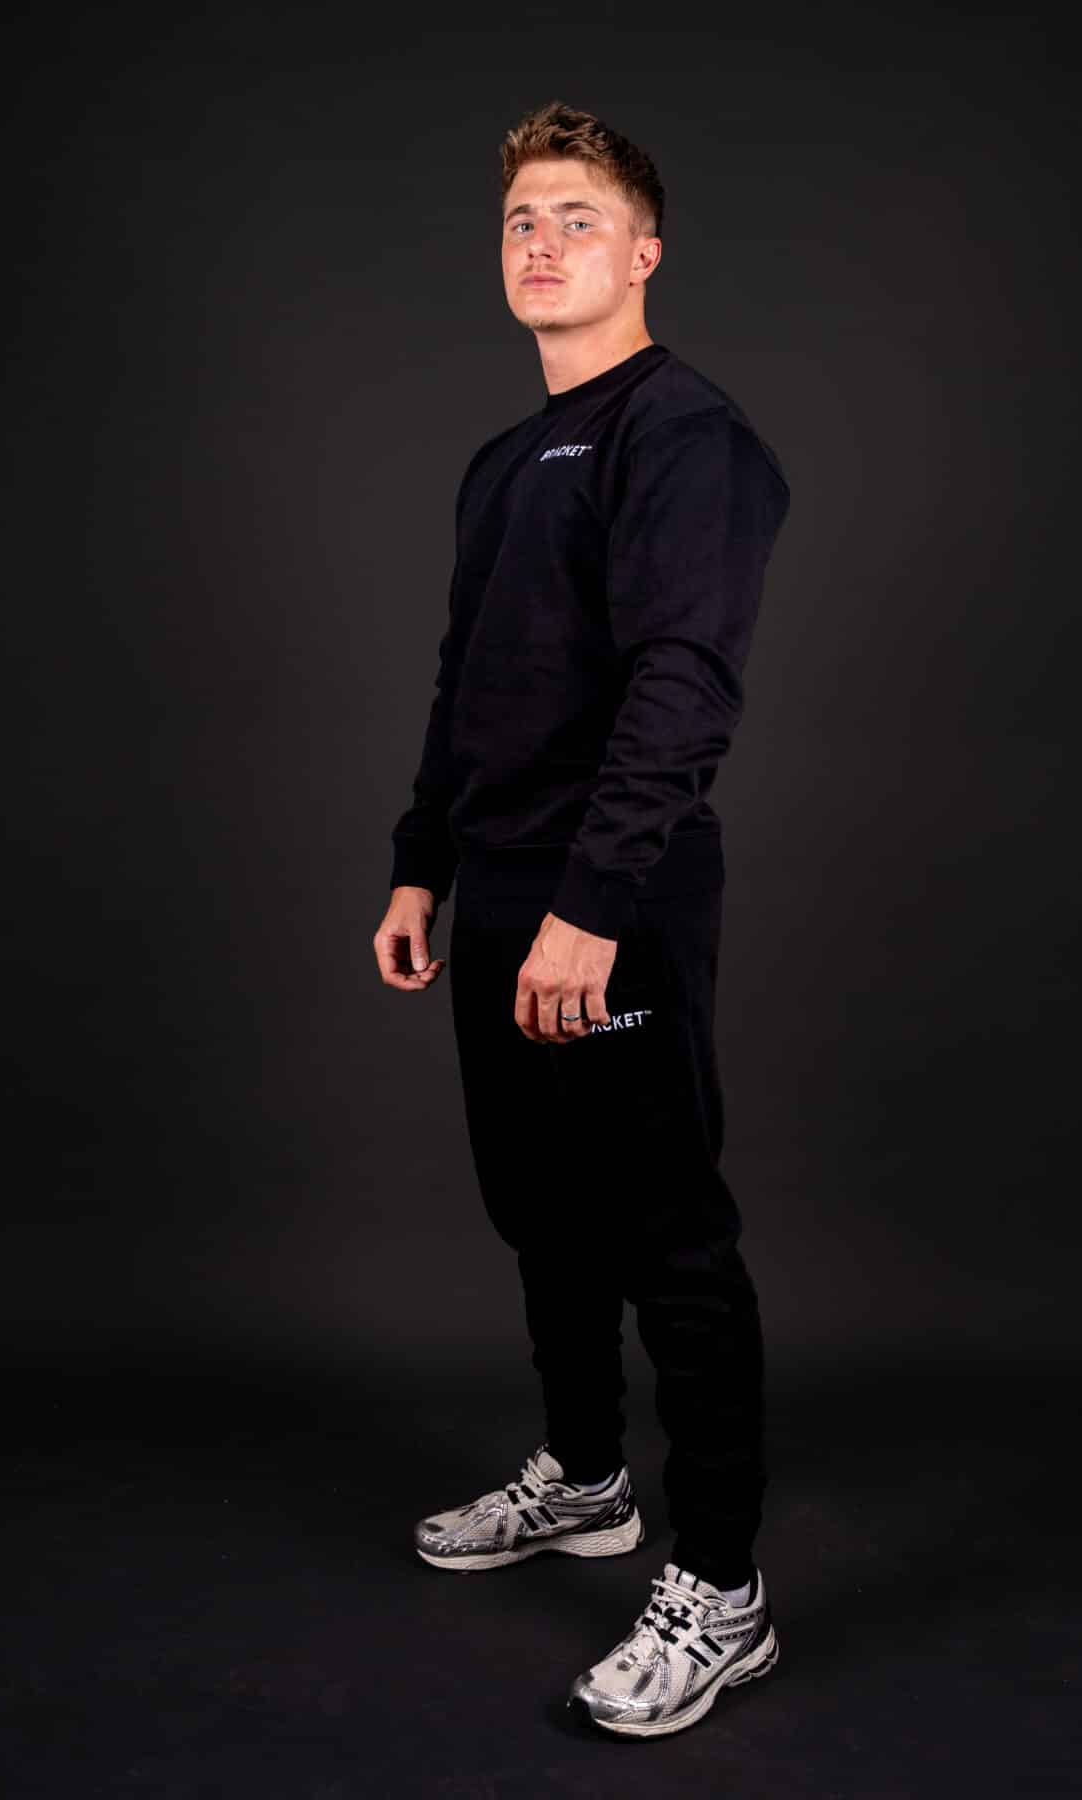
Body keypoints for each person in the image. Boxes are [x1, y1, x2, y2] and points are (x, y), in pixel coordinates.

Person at [373, 98, 791, 1739]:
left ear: (646, 252)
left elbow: (684, 686)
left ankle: (725, 1588)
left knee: (665, 1237)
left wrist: (591, 905)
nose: (541, 243)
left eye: (577, 218)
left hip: (610, 897)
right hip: (496, 895)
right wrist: (422, 862)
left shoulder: (686, 436)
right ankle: (588, 1479)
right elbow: (465, 682)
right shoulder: (501, 463)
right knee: (542, 1212)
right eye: (520, 222)